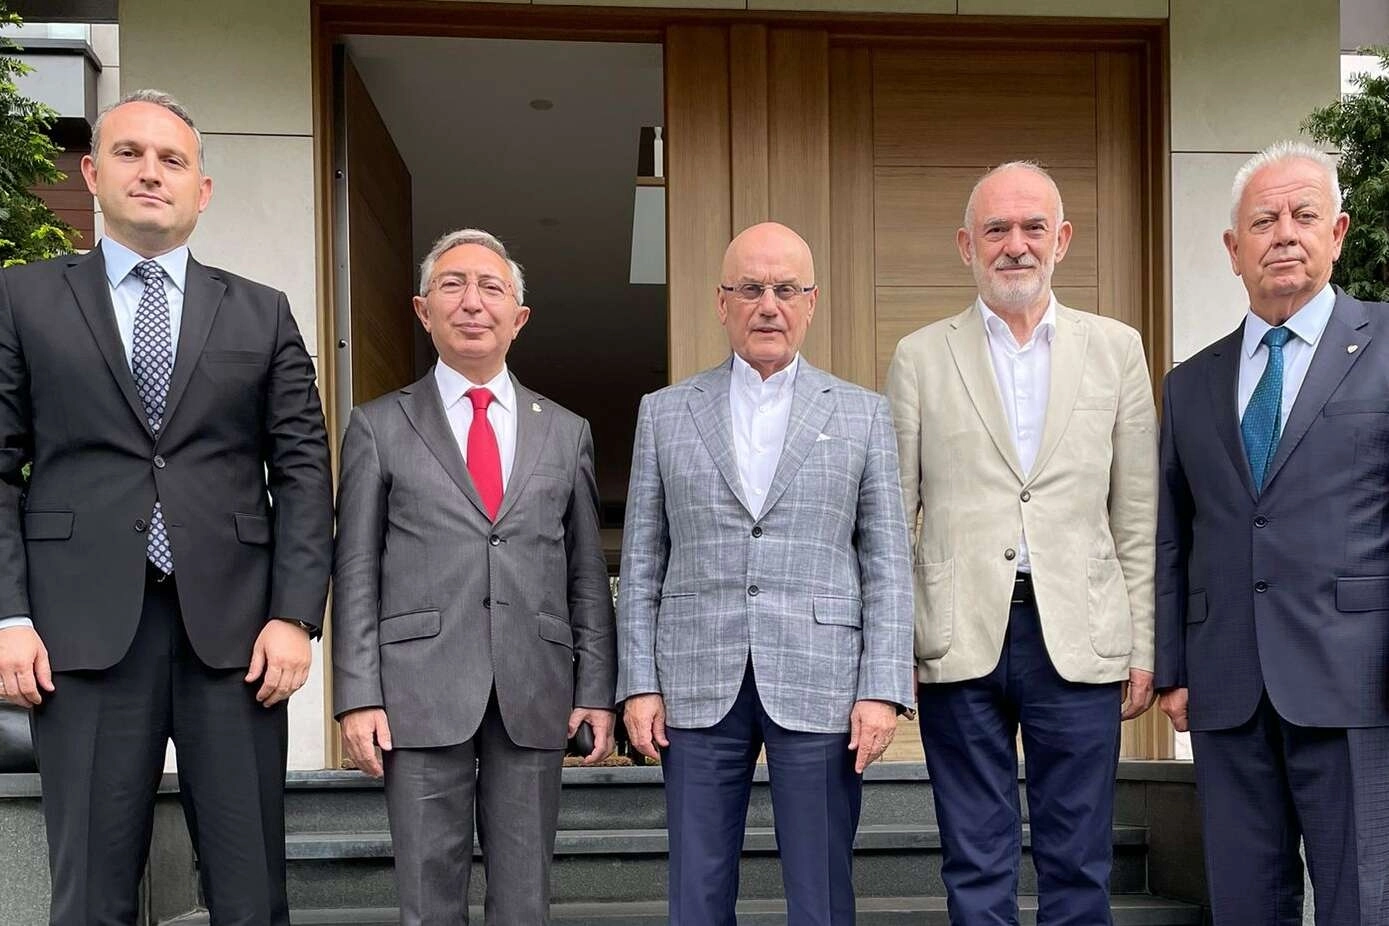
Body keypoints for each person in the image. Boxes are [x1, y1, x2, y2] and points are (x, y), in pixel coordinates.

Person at [0, 89, 334, 924]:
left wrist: (295, 616)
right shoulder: (22, 299)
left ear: (201, 190)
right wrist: (8, 617)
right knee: (90, 892)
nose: (151, 172)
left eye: (172, 160)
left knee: (250, 893)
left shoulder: (262, 311)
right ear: (91, 173)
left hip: (236, 639)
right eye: (130, 154)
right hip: (78, 635)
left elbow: (302, 470)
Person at [617, 221, 914, 926]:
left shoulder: (862, 415)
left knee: (821, 893)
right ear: (722, 303)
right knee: (696, 893)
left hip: (822, 678)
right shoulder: (663, 413)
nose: (768, 305)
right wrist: (638, 682)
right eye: (750, 289)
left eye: (785, 289)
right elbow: (641, 559)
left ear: (811, 302)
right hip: (693, 680)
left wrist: (881, 688)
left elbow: (886, 561)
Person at [884, 161, 1157, 925]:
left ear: (1061, 239)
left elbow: (1137, 515)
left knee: (1079, 860)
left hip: (1079, 634)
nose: (1015, 245)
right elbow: (891, 517)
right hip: (955, 637)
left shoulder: (1116, 350)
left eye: (1032, 227)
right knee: (974, 861)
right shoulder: (918, 357)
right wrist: (891, 645)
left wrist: (1142, 643)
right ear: (965, 245)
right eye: (995, 229)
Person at [332, 228, 616, 925]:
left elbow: (586, 572)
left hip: (535, 687)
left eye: (492, 288)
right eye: (452, 285)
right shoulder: (378, 426)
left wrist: (595, 689)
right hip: (416, 691)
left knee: (524, 901)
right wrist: (357, 695)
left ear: (518, 317)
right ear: (422, 310)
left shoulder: (567, 432)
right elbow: (356, 569)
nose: (472, 302)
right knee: (428, 899)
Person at [1155, 141, 1389, 925]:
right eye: (1262, 221)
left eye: (1302, 215)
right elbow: (1173, 533)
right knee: (1244, 904)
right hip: (1226, 687)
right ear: (1232, 249)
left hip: (1357, 681)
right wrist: (1170, 666)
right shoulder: (1190, 384)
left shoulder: (1385, 345)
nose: (1283, 233)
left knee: (1362, 903)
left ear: (1337, 232)